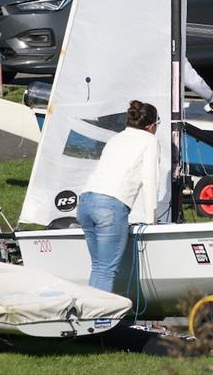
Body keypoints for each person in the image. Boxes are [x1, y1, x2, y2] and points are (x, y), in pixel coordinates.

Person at [76, 100, 160, 292]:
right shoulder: (149, 140)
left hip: (86, 201)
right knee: (106, 270)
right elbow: (150, 180)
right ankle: (102, 321)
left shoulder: (116, 138)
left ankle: (93, 316)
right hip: (109, 206)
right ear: (151, 126)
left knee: (99, 267)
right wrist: (150, 219)